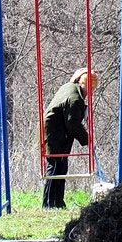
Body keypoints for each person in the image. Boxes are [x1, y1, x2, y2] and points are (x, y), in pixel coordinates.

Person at [42, 68, 98, 209]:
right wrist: (88, 140)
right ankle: (49, 204)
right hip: (55, 133)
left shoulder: (69, 88)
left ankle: (58, 203)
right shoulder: (75, 99)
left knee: (61, 167)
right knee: (55, 167)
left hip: (56, 131)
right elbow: (73, 125)